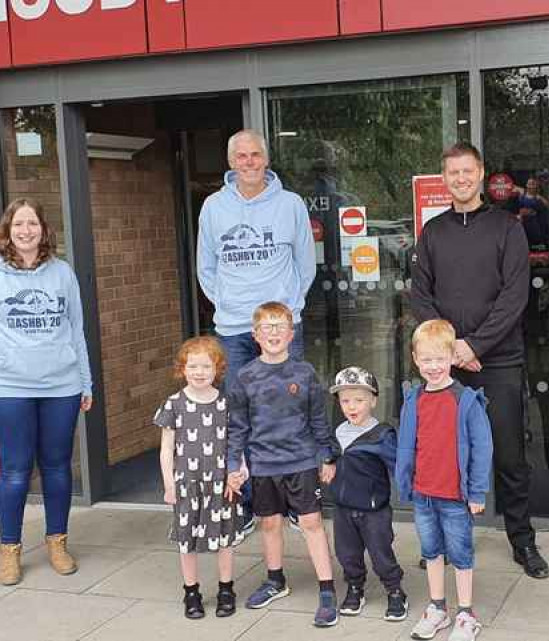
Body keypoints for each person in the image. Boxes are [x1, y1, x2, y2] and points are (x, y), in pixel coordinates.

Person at [410, 142, 549, 579]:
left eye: (468, 172)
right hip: (446, 367)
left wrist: (474, 347)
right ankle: (449, 542)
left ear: (481, 174)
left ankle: (522, 541)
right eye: (453, 173)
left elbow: (514, 296)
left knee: (510, 455)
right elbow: (420, 294)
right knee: (447, 456)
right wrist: (450, 349)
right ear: (445, 177)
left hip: (500, 360)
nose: (461, 179)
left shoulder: (507, 227)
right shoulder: (433, 232)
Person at [0, 197, 93, 586]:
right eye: (18, 225)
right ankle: (9, 550)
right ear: (7, 231)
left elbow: (76, 331)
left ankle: (57, 543)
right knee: (15, 472)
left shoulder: (63, 274)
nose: (25, 231)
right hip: (9, 388)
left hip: (61, 386)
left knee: (56, 467)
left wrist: (85, 382)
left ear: (43, 230)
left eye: (32, 224)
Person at [196, 128, 317, 534]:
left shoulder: (290, 204)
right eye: (241, 156)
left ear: (266, 159)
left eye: (255, 155)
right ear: (231, 162)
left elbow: (305, 264)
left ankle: (298, 502)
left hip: (283, 328)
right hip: (233, 330)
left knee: (290, 412)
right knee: (240, 416)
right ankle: (250, 503)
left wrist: (289, 310)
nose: (249, 162)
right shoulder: (213, 207)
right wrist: (228, 304)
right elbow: (206, 268)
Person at [225, 301, 339, 627]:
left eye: (280, 327)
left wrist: (326, 456)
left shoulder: (305, 373)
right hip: (263, 465)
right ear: (255, 335)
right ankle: (275, 580)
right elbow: (238, 426)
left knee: (312, 524)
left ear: (291, 334)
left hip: (301, 461)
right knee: (270, 524)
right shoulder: (245, 376)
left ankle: (327, 589)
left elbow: (318, 419)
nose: (273, 332)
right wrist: (235, 463)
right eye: (266, 327)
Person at [396, 319, 493, 641]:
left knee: (462, 554)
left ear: (453, 357)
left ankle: (466, 613)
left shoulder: (466, 400)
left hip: (454, 496)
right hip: (423, 493)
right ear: (415, 359)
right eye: (426, 360)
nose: (433, 367)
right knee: (431, 552)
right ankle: (438, 608)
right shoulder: (413, 398)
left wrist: (477, 493)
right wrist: (404, 482)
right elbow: (407, 444)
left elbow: (482, 449)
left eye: (440, 359)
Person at [154, 337, 245, 619]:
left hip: (221, 483)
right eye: (192, 366)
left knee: (224, 538)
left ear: (217, 369)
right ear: (182, 369)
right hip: (187, 484)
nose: (199, 372)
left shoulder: (226, 404)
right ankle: (191, 591)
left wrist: (238, 473)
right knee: (187, 539)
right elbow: (166, 449)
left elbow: (235, 442)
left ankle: (226, 589)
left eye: (206, 366)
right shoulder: (174, 404)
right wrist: (169, 485)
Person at [326, 366, 408, 622]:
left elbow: (399, 466)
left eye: (359, 400)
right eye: (345, 400)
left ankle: (395, 591)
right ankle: (355, 587)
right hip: (343, 508)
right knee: (347, 554)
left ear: (373, 400)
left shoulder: (382, 435)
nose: (352, 406)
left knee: (381, 554)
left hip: (375, 511)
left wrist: (413, 490)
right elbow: (329, 456)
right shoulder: (338, 432)